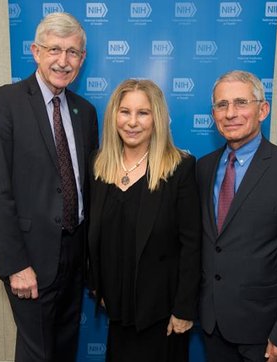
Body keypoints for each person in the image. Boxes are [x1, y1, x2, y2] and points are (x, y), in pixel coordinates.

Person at [0, 12, 98, 362]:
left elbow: (85, 187)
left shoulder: (85, 112)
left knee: (63, 349)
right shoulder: (4, 103)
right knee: (36, 354)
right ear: (36, 52)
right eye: (54, 49)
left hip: (75, 256)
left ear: (82, 58)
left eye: (73, 52)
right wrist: (15, 264)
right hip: (30, 258)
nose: (63, 60)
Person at [197, 70, 277, 362]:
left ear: (262, 109)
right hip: (212, 325)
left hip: (264, 332)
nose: (230, 113)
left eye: (241, 102)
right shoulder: (202, 169)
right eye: (221, 105)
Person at [87, 79, 201, 362]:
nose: (132, 122)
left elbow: (192, 245)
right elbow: (94, 236)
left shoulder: (179, 168)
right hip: (117, 310)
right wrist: (99, 285)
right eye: (125, 112)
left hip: (162, 315)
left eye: (143, 113)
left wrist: (184, 309)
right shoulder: (98, 165)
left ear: (157, 118)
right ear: (114, 116)